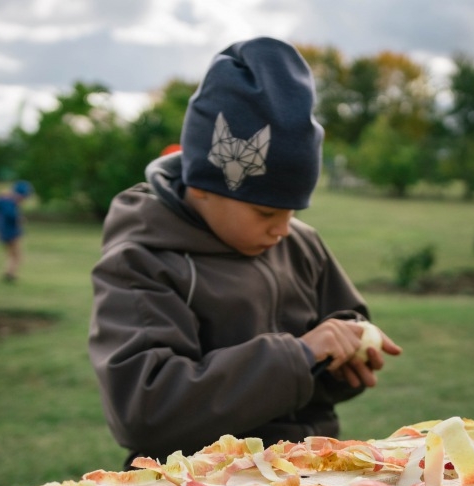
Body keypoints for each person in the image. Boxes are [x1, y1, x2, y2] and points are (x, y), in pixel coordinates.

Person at [87, 37, 400, 462]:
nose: (284, 230)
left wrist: (343, 354)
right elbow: (144, 411)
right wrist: (302, 353)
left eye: (292, 210)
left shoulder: (300, 243)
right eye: (265, 212)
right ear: (203, 186)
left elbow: (332, 339)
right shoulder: (142, 260)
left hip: (307, 470)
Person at [0, 180, 32, 283]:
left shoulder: (2, 201)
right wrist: (19, 218)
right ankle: (10, 274)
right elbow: (10, 215)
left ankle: (9, 273)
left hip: (2, 231)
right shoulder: (9, 202)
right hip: (11, 231)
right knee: (17, 255)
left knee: (11, 254)